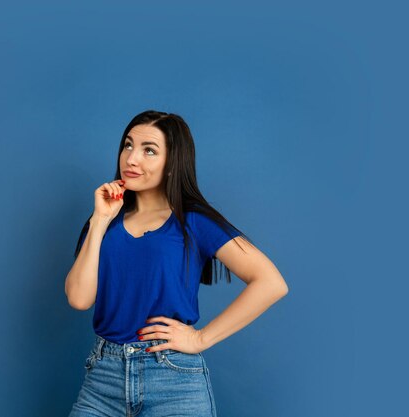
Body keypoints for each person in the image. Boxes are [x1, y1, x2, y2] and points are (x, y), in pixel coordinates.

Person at [65, 110, 288, 417]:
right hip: (103, 378)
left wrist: (200, 338)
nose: (131, 159)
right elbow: (79, 298)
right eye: (128, 145)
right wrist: (100, 220)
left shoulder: (192, 221)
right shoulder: (104, 222)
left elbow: (271, 282)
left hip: (173, 379)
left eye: (149, 150)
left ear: (172, 163)